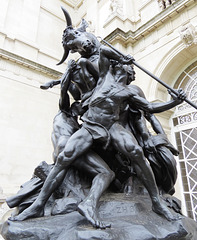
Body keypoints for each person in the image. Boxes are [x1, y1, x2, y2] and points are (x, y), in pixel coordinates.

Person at [12, 45, 185, 226]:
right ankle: (38, 204)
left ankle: (157, 203)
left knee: (137, 154)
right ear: (120, 66)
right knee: (64, 158)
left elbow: (149, 108)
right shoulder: (104, 76)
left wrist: (174, 101)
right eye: (126, 67)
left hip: (112, 127)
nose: (128, 71)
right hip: (91, 126)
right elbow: (103, 51)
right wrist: (122, 55)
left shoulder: (130, 91)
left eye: (130, 70)